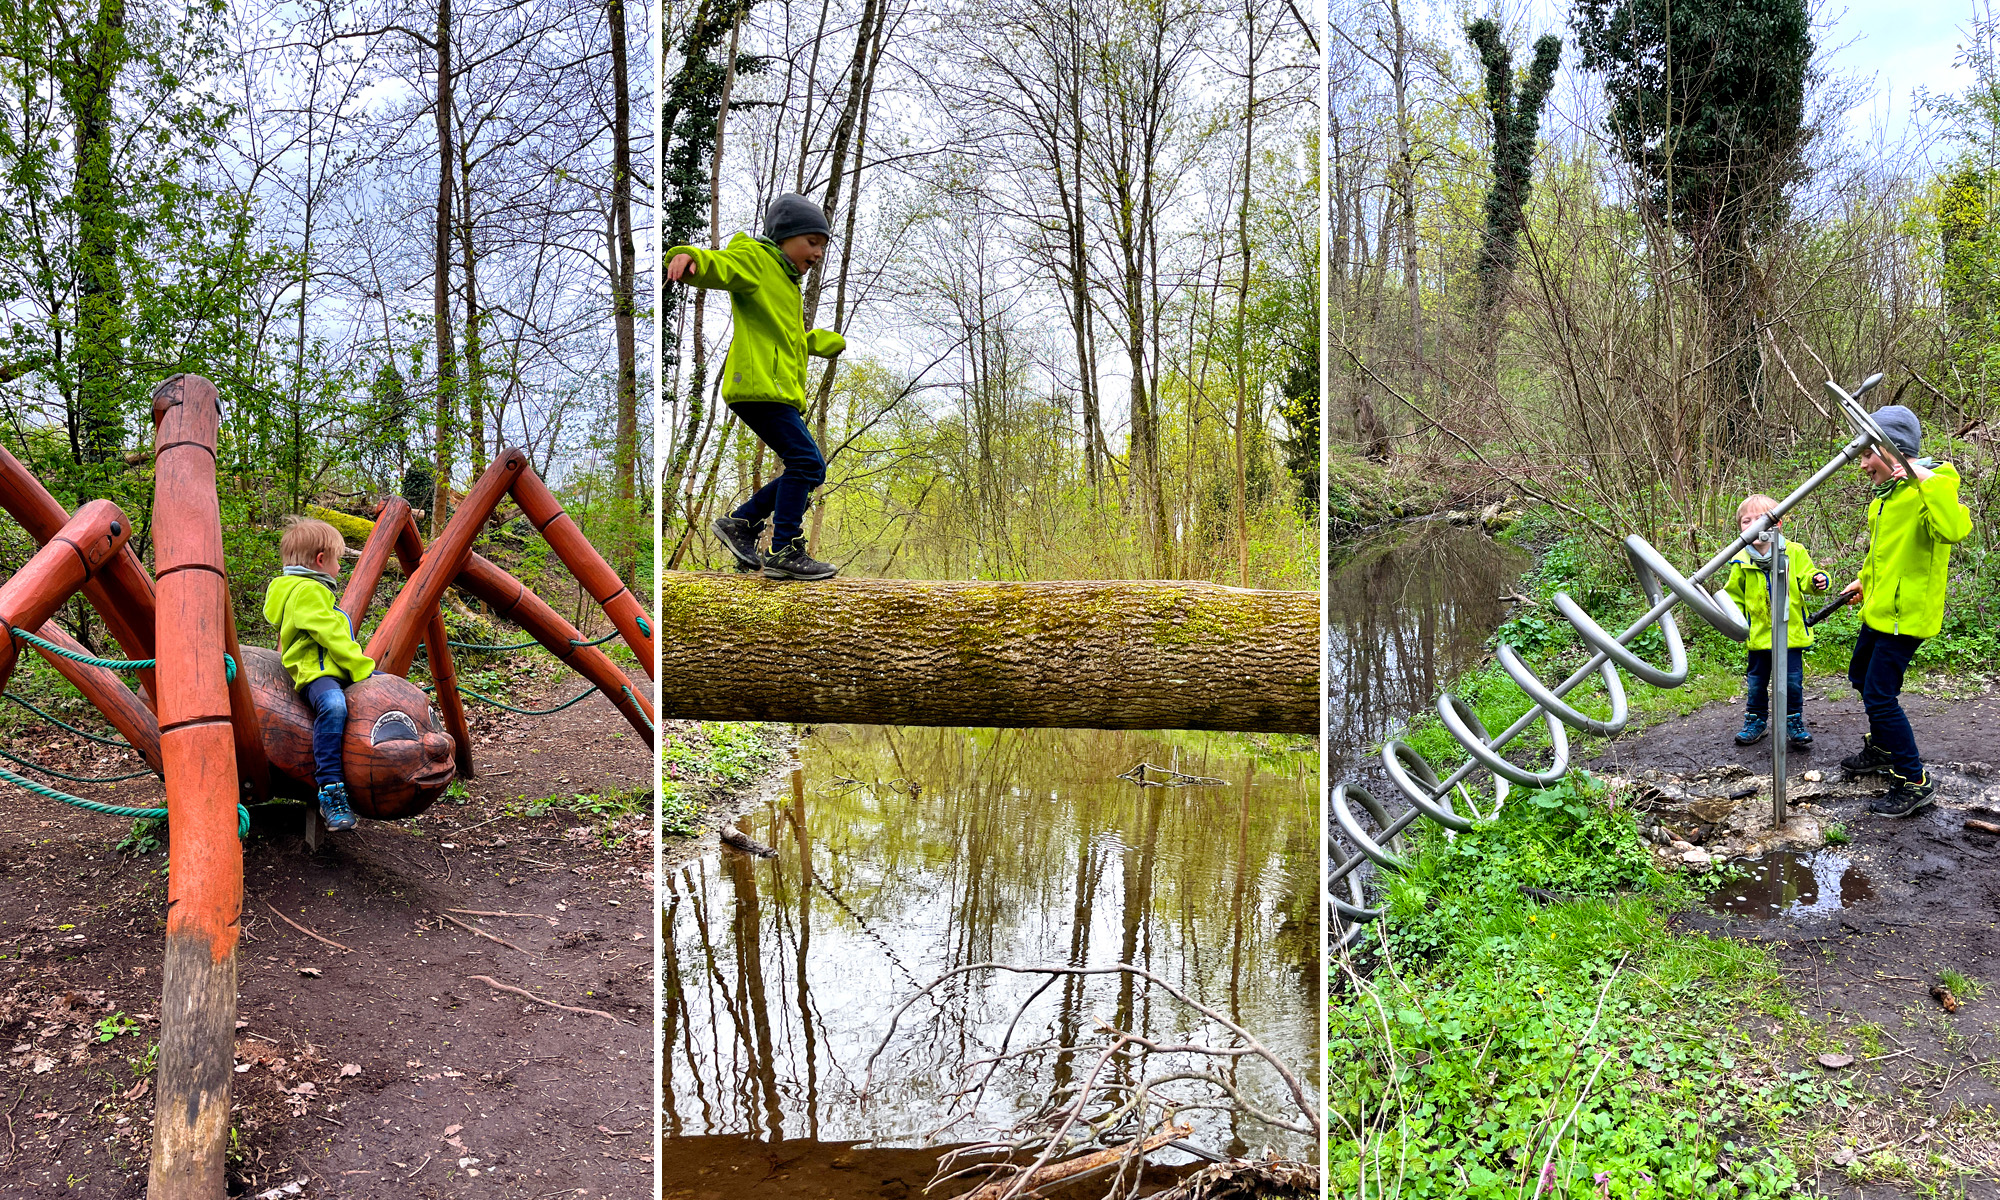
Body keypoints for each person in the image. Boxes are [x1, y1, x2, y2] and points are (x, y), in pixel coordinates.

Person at [667, 193, 847, 582]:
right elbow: (723, 266)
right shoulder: (757, 260)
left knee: (811, 469)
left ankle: (742, 523)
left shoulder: (785, 282)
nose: (817, 254)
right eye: (812, 242)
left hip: (774, 389)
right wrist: (686, 256)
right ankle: (783, 548)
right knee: (807, 462)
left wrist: (814, 341)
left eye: (822, 247)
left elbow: (784, 337)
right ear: (785, 237)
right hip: (757, 387)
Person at [1830, 406, 1973, 818]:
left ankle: (1913, 780)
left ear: (1891, 449)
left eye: (1867, 453)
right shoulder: (1886, 498)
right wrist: (1863, 580)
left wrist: (1926, 480)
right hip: (1879, 609)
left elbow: (1955, 530)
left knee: (1879, 693)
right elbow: (1885, 557)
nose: (1862, 464)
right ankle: (1881, 748)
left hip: (1905, 617)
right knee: (1859, 676)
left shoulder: (1933, 486)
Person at [263, 517, 375, 831]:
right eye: (338, 560)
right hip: (317, 673)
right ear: (321, 560)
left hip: (328, 667)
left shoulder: (303, 590)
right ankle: (330, 789)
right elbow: (332, 638)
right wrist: (362, 668)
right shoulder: (307, 592)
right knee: (334, 707)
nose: (340, 567)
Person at [1723, 494, 1830, 752]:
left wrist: (1818, 579)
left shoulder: (1793, 551)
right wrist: (1735, 623)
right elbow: (1733, 596)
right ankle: (1756, 721)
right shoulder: (1740, 560)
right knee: (1757, 681)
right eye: (1745, 521)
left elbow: (1807, 577)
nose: (1752, 525)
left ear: (1777, 523)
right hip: (1758, 635)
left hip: (1790, 634)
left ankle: (1793, 721)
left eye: (1759, 519)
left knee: (1792, 681)